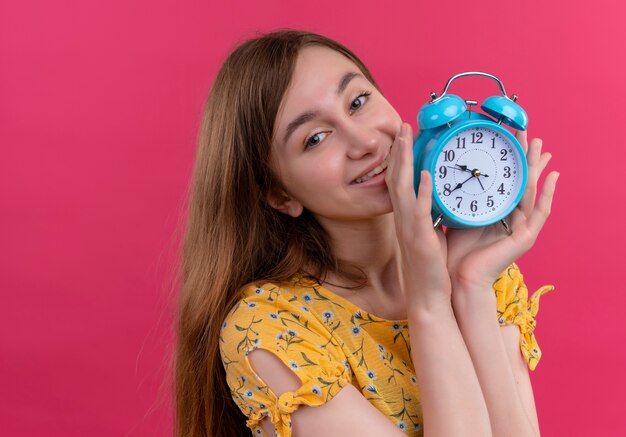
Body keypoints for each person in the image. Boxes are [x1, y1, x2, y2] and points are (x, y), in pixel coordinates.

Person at [174, 29, 559, 437]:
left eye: (358, 101)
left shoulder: (480, 273)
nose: (365, 141)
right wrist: (429, 302)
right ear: (279, 194)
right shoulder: (271, 332)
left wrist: (470, 288)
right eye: (315, 139)